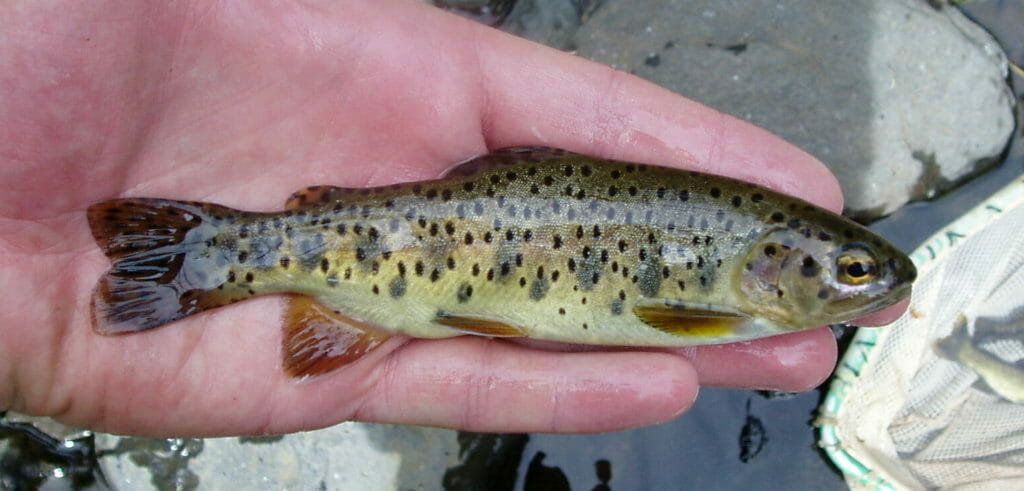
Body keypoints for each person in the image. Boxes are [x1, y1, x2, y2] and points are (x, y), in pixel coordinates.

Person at [0, 0, 907, 437]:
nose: (854, 284)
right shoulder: (714, 308)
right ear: (779, 260)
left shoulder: (730, 291)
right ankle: (208, 250)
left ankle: (213, 251)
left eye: (853, 273)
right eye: (849, 270)